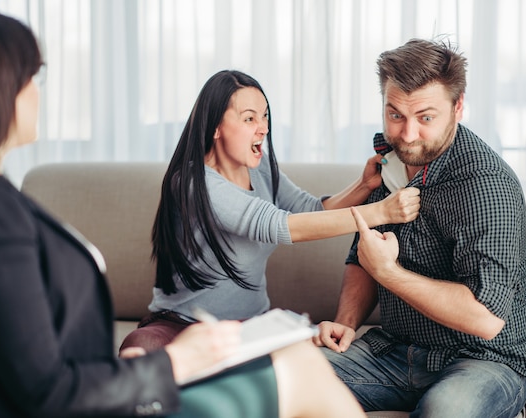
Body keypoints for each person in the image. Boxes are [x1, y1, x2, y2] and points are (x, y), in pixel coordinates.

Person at [0, 9, 369, 418]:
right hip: (113, 386)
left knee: (300, 360)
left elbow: (310, 209)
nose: (38, 90)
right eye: (30, 76)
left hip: (125, 381)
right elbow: (45, 390)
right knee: (303, 372)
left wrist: (366, 187)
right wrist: (174, 363)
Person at [119, 69, 421, 354]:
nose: (263, 127)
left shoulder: (261, 167)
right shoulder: (193, 182)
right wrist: (381, 212)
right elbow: (281, 226)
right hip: (181, 326)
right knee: (140, 347)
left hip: (249, 328)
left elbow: (310, 210)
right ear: (215, 127)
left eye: (264, 116)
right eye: (249, 118)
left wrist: (363, 186)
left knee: (306, 358)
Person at [314, 38, 526, 417]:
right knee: (283, 377)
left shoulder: (487, 184)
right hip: (394, 351)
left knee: (447, 410)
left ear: (458, 106)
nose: (408, 135)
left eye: (426, 118)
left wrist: (388, 271)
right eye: (395, 115)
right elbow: (363, 254)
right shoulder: (388, 163)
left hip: (483, 360)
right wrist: (345, 323)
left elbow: (484, 318)